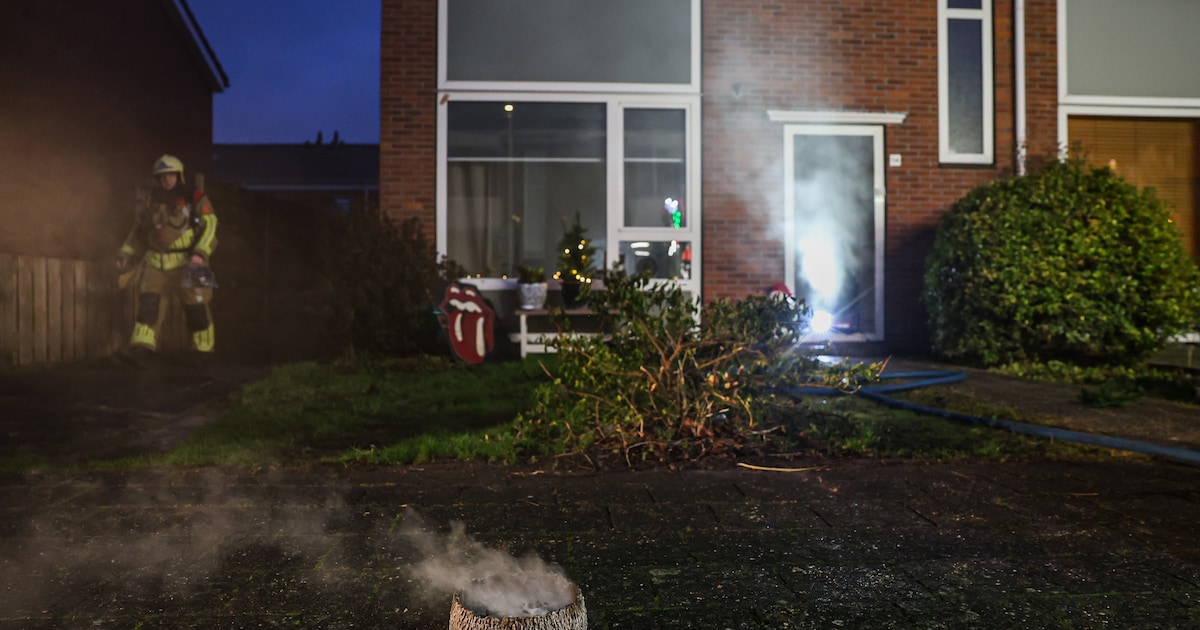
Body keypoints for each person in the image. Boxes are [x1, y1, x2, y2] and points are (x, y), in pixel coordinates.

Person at [116, 154, 218, 364]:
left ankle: (203, 353)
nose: (166, 180)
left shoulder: (195, 197)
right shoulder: (149, 200)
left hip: (190, 263)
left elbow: (210, 225)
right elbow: (138, 231)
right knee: (149, 305)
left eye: (170, 175)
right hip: (156, 263)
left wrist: (200, 253)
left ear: (178, 176)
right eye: (162, 176)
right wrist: (126, 253)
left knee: (197, 308)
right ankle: (141, 350)